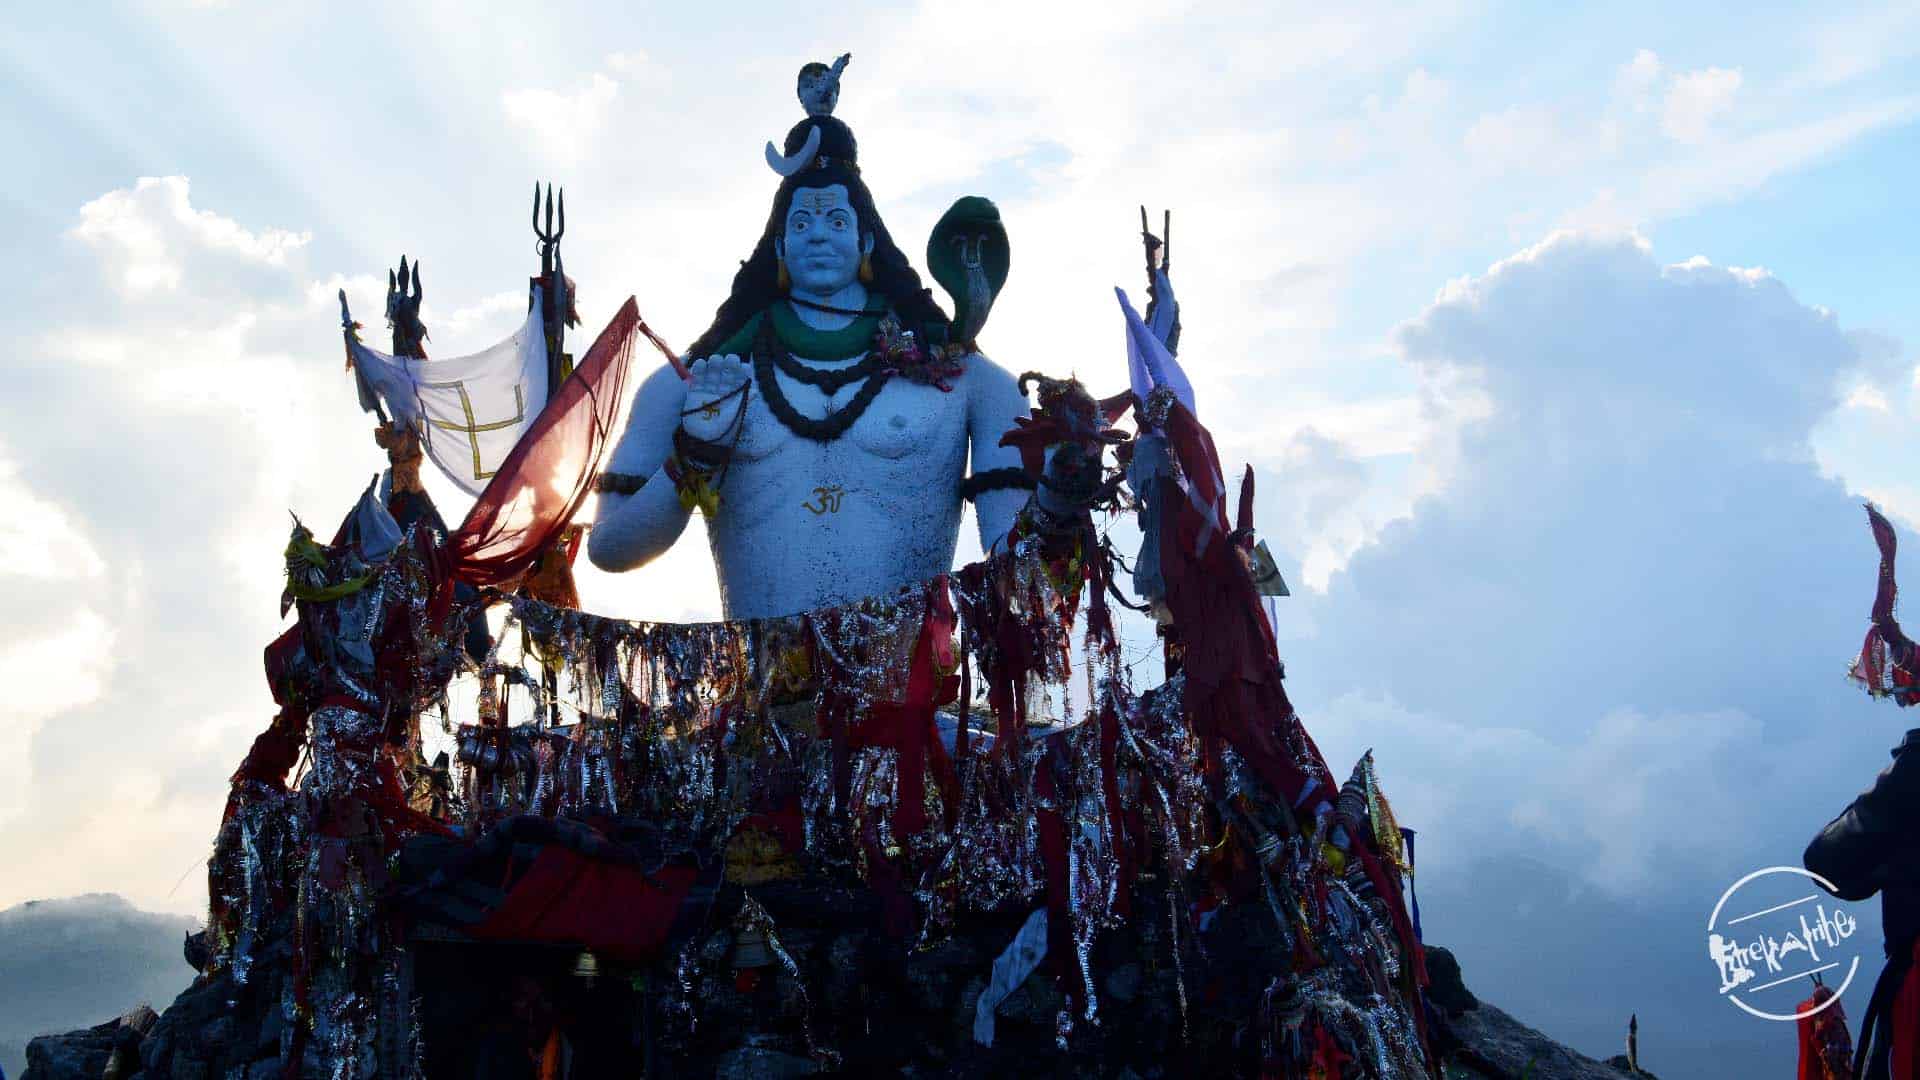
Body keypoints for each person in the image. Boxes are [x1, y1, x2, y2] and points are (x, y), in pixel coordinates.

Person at [588, 60, 1033, 620]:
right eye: (800, 224)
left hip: (911, 696)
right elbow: (609, 549)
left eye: (835, 221)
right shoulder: (694, 385)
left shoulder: (968, 380)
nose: (818, 234)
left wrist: (1064, 486)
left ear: (866, 238)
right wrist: (695, 455)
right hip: (757, 698)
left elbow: (1022, 569)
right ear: (776, 245)